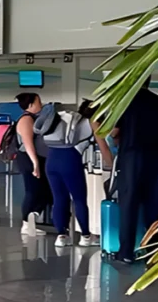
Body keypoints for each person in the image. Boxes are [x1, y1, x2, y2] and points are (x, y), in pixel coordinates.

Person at [104, 77, 158, 263]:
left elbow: (114, 132)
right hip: (156, 157)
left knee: (129, 204)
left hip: (131, 157)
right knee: (155, 204)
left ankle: (126, 252)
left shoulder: (124, 102)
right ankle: (154, 251)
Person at [39, 105, 100, 248]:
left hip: (51, 161)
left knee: (59, 199)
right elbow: (103, 147)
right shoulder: (92, 123)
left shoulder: (66, 120)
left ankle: (61, 236)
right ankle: (85, 237)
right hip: (70, 162)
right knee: (79, 200)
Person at [14, 92, 51, 236]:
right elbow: (28, 143)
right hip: (28, 159)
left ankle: (32, 218)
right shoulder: (26, 120)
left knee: (44, 190)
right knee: (32, 190)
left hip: (33, 158)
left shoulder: (33, 119)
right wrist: (35, 163)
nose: (40, 104)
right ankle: (26, 223)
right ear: (30, 105)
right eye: (38, 102)